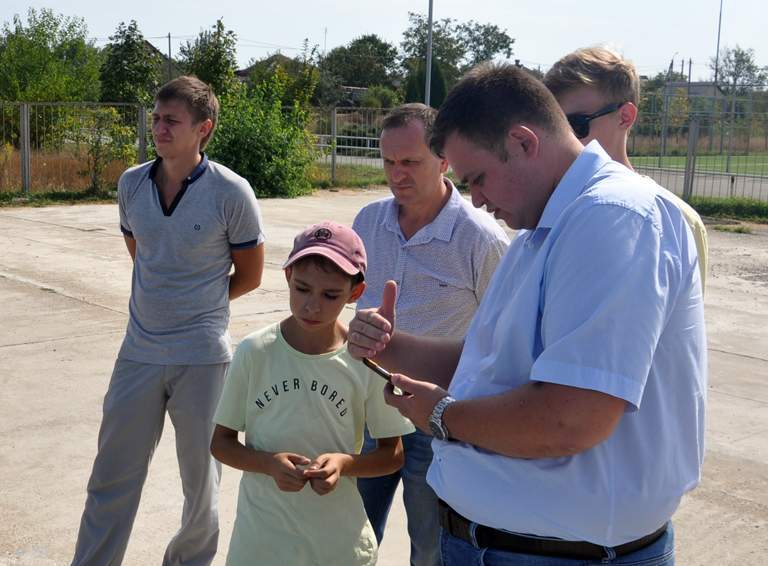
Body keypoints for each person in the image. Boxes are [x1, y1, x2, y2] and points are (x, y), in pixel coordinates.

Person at [348, 63, 707, 565]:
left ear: (522, 142)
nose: (474, 198)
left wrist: (443, 417)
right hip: (517, 547)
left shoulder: (611, 218)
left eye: (476, 178)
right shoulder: (546, 227)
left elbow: (570, 418)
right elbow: (490, 363)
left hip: (559, 554)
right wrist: (390, 346)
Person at [72, 76, 265, 566]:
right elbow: (143, 254)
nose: (158, 128)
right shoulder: (131, 183)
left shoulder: (231, 192)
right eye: (156, 118)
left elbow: (251, 274)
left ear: (203, 128)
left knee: (201, 487)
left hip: (201, 357)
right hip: (138, 351)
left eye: (171, 120)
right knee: (111, 476)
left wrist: (199, 306)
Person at [352, 103, 509, 565]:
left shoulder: (480, 238)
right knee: (349, 536)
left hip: (436, 421)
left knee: (431, 548)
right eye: (388, 162)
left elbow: (504, 339)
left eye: (410, 162)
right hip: (367, 411)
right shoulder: (367, 223)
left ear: (444, 159)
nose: (396, 175)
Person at [210, 221, 415, 566]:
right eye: (303, 288)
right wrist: (267, 463)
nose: (312, 306)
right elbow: (221, 443)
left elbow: (392, 454)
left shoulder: (365, 361)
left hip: (338, 548)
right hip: (262, 546)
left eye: (330, 295)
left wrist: (344, 464)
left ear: (355, 292)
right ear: (288, 275)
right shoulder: (253, 351)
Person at [543, 46, 709, 291]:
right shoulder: (546, 211)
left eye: (575, 125)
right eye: (552, 126)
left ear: (625, 117)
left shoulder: (678, 220)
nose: (562, 140)